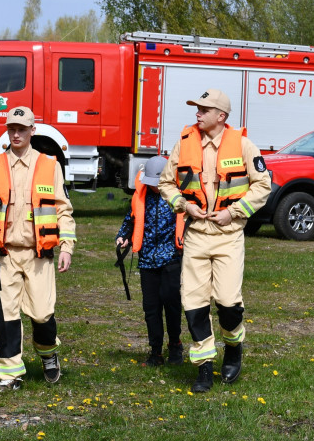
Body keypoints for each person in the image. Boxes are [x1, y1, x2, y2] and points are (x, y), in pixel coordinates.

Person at [157, 89, 271, 393]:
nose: (198, 113)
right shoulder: (184, 144)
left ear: (221, 116)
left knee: (228, 302)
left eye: (204, 109)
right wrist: (184, 205)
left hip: (228, 236)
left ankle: (233, 346)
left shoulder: (244, 145)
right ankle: (204, 367)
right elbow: (166, 183)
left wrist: (233, 212)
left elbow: (263, 185)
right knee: (194, 303)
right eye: (197, 108)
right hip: (196, 234)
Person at [0, 106, 76, 391]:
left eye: (21, 129)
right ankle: (9, 373)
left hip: (39, 254)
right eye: (11, 129)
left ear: (32, 131)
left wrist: (67, 246)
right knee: (5, 314)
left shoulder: (49, 166)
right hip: (5, 255)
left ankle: (48, 354)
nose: (16, 134)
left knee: (41, 314)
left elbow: (63, 210)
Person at [116, 155, 184, 368]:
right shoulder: (141, 196)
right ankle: (155, 352)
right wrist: (123, 236)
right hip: (147, 261)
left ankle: (175, 345)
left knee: (172, 305)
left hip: (171, 259)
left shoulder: (178, 197)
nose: (154, 187)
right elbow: (131, 219)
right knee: (151, 309)